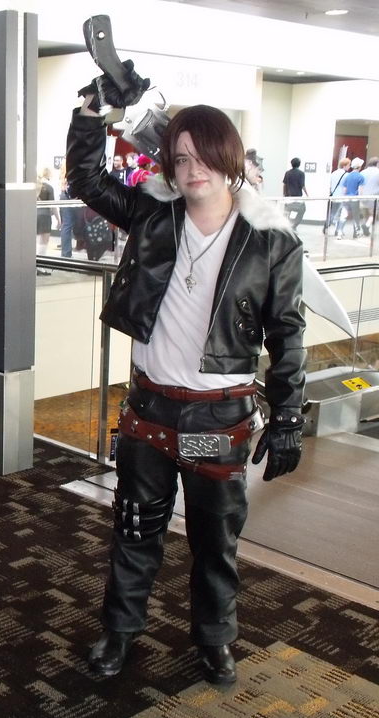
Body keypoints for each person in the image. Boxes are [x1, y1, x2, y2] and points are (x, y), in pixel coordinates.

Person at [68, 72, 305, 685]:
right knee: (134, 529)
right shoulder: (154, 213)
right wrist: (92, 114)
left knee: (214, 538)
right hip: (150, 412)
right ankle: (120, 632)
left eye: (204, 156)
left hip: (217, 418)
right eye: (180, 158)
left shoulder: (271, 241)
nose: (193, 169)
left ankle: (215, 640)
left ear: (229, 159)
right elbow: (87, 180)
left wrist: (288, 416)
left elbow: (286, 332)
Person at [36, 168, 60, 273]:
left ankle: (33, 264)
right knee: (43, 242)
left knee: (35, 241)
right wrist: (58, 219)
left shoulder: (35, 186)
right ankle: (40, 266)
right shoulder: (49, 188)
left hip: (33, 215)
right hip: (45, 216)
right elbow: (53, 206)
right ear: (49, 175)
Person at [337, 157, 365, 238]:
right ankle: (356, 233)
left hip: (346, 198)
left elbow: (344, 189)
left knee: (343, 215)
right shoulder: (361, 177)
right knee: (356, 216)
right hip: (355, 199)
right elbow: (360, 190)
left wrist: (343, 198)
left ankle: (339, 232)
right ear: (359, 167)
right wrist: (361, 200)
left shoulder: (347, 176)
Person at [325, 157, 350, 236]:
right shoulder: (347, 175)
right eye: (348, 165)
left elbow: (330, 185)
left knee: (333, 213)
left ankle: (326, 225)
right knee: (342, 215)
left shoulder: (333, 173)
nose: (349, 167)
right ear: (344, 165)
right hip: (342, 196)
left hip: (334, 196)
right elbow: (346, 187)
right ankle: (338, 230)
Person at [282, 157, 307, 230]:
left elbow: (284, 184)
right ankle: (294, 225)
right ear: (299, 164)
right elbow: (302, 185)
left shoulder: (287, 173)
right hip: (298, 198)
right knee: (302, 210)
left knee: (286, 213)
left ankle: (287, 226)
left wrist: (284, 194)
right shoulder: (301, 173)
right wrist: (307, 194)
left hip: (288, 198)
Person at [360, 157, 379, 234]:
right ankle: (367, 226)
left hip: (362, 196)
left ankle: (365, 228)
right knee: (373, 214)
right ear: (377, 163)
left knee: (365, 214)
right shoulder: (378, 172)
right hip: (374, 197)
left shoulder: (362, 172)